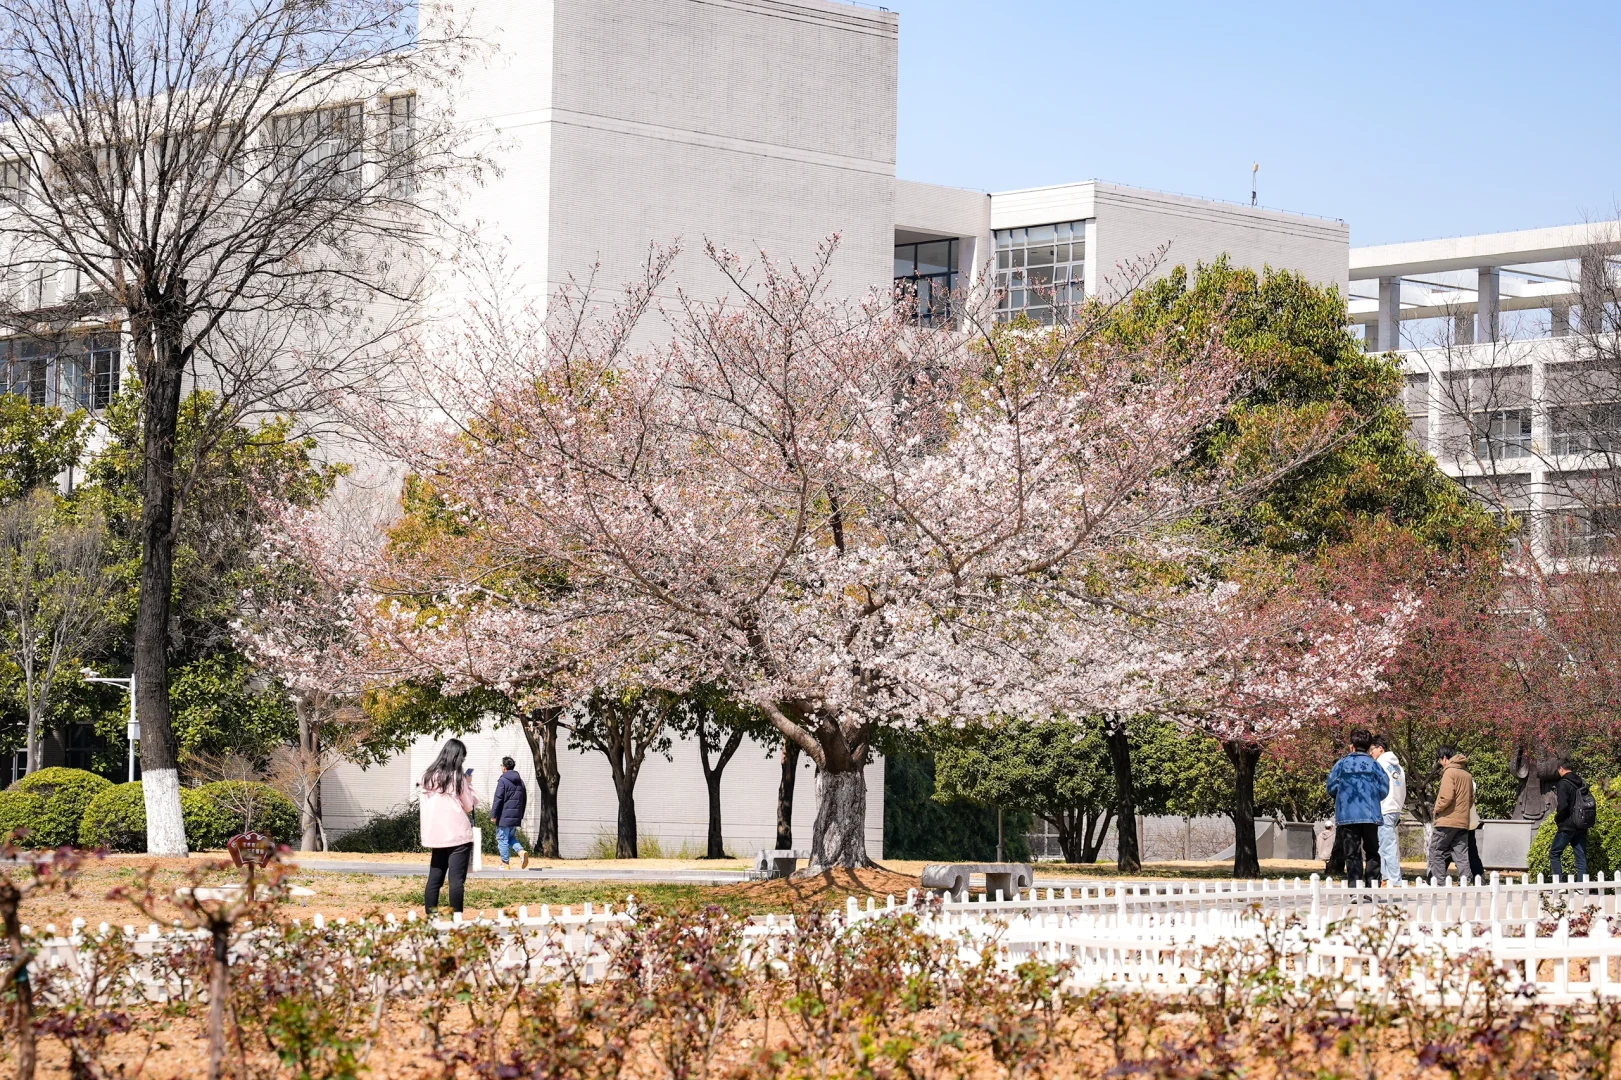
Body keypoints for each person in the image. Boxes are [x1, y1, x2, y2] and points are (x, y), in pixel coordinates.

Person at [420, 738, 478, 916]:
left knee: (434, 880)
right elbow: (469, 806)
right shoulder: (457, 778)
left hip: (435, 836)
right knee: (456, 881)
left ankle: (431, 918)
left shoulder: (426, 777)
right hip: (458, 835)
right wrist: (469, 784)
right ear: (457, 757)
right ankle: (456, 919)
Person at [1325, 728, 1389, 885]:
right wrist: (1373, 798)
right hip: (1371, 815)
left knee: (1352, 853)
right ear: (1368, 747)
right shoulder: (1375, 765)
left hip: (1348, 816)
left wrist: (1342, 797)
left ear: (1351, 746)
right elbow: (1384, 788)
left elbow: (1331, 787)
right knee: (1372, 852)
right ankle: (1372, 885)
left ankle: (1355, 887)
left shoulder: (1341, 765)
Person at [1427, 746, 1474, 883]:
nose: (1440, 763)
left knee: (1436, 851)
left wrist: (1436, 809)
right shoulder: (1467, 775)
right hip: (1463, 821)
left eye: (1440, 760)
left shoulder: (1449, 772)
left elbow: (1446, 797)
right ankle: (1466, 881)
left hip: (1447, 821)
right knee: (1461, 854)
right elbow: (1471, 799)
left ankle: (1440, 882)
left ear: (1445, 758)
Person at [1369, 734, 1406, 884]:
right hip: (1395, 808)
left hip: (1384, 808)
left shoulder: (1380, 764)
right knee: (1383, 845)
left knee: (1387, 846)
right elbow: (1403, 789)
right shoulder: (1398, 767)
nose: (1371, 753)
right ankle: (1385, 879)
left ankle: (1394, 880)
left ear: (1381, 749)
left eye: (1372, 749)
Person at [1551, 758, 1594, 882]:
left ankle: (1559, 885)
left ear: (1561, 768)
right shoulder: (1581, 782)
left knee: (1555, 853)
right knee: (1580, 855)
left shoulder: (1563, 783)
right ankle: (1582, 885)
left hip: (1567, 825)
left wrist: (1558, 819)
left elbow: (1563, 806)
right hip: (1581, 824)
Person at [490, 755, 530, 870]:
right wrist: (520, 815)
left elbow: (498, 798)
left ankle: (505, 863)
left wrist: (494, 815)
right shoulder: (520, 781)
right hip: (515, 816)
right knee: (511, 837)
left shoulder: (503, 780)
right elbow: (524, 799)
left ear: (504, 768)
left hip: (503, 816)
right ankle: (521, 852)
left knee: (502, 838)